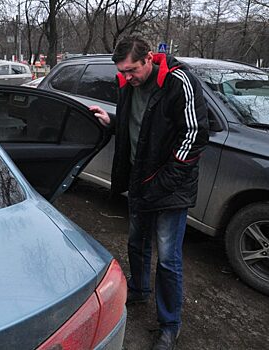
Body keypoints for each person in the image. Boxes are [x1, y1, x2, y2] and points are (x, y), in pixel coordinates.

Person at [90, 36, 208, 350]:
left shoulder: (178, 81)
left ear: (149, 59)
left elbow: (195, 135)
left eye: (131, 70)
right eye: (122, 72)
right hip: (139, 181)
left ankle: (170, 325)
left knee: (168, 258)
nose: (127, 77)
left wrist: (166, 179)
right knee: (136, 241)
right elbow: (140, 127)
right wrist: (112, 122)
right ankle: (139, 292)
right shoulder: (128, 85)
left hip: (169, 187)